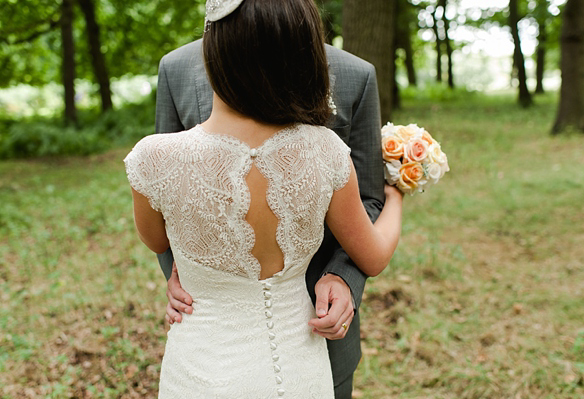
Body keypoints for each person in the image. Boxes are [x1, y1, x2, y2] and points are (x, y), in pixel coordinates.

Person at [126, 0, 402, 397]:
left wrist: (194, 266)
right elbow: (375, 255)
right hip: (299, 363)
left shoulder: (152, 157)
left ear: (212, 52)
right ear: (305, 57)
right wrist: (396, 199)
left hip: (203, 368)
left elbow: (158, 238)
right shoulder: (324, 148)